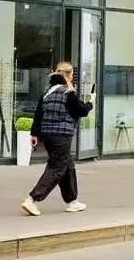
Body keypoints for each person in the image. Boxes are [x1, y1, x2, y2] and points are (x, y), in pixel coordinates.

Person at [21, 62, 91, 216]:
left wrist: (35, 134)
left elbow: (38, 114)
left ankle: (72, 201)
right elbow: (80, 110)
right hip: (62, 135)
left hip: (48, 135)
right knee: (56, 167)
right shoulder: (68, 92)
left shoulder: (47, 92)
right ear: (67, 75)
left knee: (68, 167)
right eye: (72, 74)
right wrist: (90, 103)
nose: (72, 77)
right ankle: (32, 199)